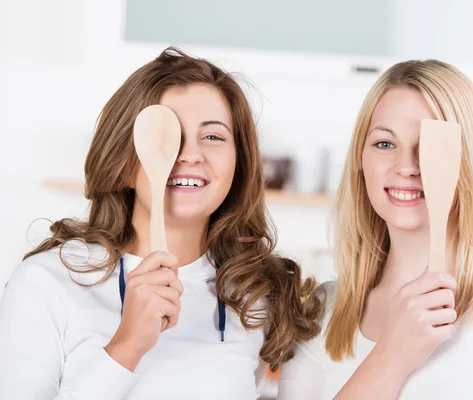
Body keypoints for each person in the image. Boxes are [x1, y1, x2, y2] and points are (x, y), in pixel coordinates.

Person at [0, 47, 320, 400]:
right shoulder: (47, 283)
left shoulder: (256, 296)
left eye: (213, 136)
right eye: (167, 136)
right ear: (122, 158)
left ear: (239, 164)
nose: (190, 154)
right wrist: (127, 345)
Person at [278, 60, 473, 399]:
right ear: (360, 161)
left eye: (429, 147)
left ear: (469, 162)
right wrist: (391, 357)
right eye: (385, 144)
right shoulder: (320, 313)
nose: (407, 166)